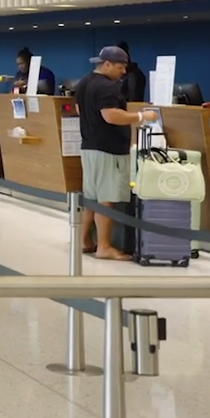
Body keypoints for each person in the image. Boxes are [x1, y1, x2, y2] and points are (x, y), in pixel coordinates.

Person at [75, 46, 160, 259]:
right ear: (107, 65)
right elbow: (111, 116)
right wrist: (142, 117)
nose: (123, 72)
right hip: (109, 150)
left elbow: (79, 110)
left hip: (89, 147)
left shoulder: (84, 82)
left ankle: (84, 240)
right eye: (121, 67)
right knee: (107, 199)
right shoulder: (107, 87)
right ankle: (104, 247)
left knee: (92, 197)